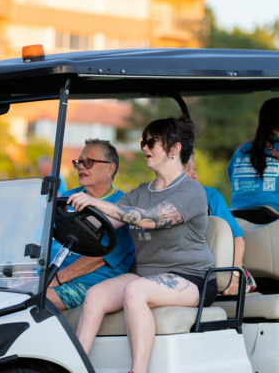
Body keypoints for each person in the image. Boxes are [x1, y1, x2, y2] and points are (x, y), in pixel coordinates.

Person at [68, 115, 216, 373]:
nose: (144, 148)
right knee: (95, 296)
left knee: (135, 291)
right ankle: (73, 368)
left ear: (174, 148)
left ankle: (138, 371)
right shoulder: (139, 192)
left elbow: (150, 219)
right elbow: (102, 224)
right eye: (143, 143)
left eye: (151, 142)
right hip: (146, 275)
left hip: (192, 278)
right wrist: (66, 219)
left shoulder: (192, 191)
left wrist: (98, 203)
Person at [47, 139, 135, 312]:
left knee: (36, 301)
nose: (81, 167)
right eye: (79, 162)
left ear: (110, 168)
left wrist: (52, 280)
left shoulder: (122, 206)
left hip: (88, 283)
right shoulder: (68, 196)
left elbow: (97, 259)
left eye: (89, 162)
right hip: (52, 275)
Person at [185, 154, 256, 294]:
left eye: (194, 169)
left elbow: (237, 238)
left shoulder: (210, 196)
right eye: (185, 170)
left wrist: (234, 276)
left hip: (211, 274)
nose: (193, 175)